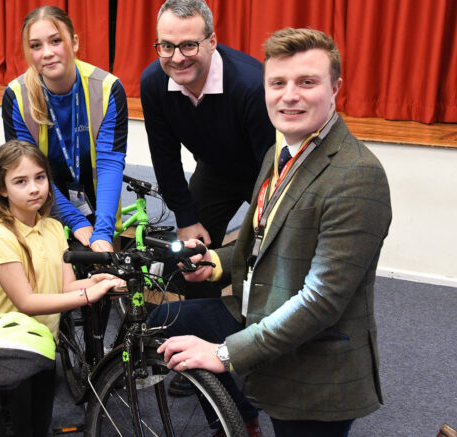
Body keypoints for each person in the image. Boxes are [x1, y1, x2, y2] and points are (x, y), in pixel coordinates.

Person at [152, 28, 393, 437]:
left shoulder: (357, 175)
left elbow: (320, 302)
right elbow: (260, 244)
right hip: (260, 311)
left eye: (307, 82)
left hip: (315, 366)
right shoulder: (278, 150)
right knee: (167, 318)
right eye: (277, 83)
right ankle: (238, 420)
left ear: (336, 87)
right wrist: (211, 263)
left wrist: (225, 354)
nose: (289, 95)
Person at [0, 140, 123, 436]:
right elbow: (26, 301)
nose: (34, 188)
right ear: (1, 189)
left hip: (46, 344)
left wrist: (99, 281)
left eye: (40, 178)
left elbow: (66, 286)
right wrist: (86, 296)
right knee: (15, 427)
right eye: (20, 181)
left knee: (40, 424)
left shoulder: (54, 228)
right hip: (11, 352)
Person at [140, 0, 277, 259]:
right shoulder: (153, 84)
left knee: (269, 250)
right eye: (167, 46)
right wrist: (185, 218)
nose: (177, 58)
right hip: (214, 169)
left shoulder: (252, 87)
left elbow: (273, 167)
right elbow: (164, 156)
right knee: (191, 255)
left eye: (189, 45)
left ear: (212, 42)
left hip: (263, 174)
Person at [2, 5, 128, 253]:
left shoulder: (107, 88)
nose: (47, 53)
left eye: (56, 41)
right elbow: (27, 171)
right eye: (36, 46)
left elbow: (109, 163)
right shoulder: (17, 96)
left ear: (75, 42)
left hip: (98, 203)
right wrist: (75, 220)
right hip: (39, 203)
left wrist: (102, 231)